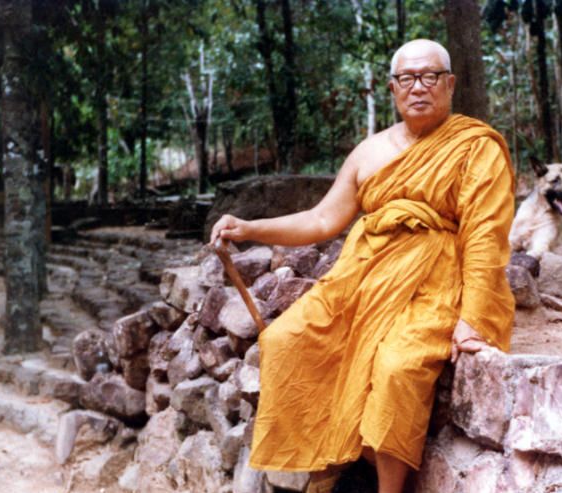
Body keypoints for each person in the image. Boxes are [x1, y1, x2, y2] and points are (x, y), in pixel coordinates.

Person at [209, 39, 515, 493]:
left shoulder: (476, 147)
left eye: (430, 76)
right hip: (364, 276)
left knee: (396, 367)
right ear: (392, 88)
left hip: (437, 283)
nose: (418, 87)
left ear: (450, 84)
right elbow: (321, 219)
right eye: (407, 78)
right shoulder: (369, 152)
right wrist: (250, 227)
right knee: (288, 340)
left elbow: (485, 235)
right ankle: (329, 467)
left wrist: (473, 317)